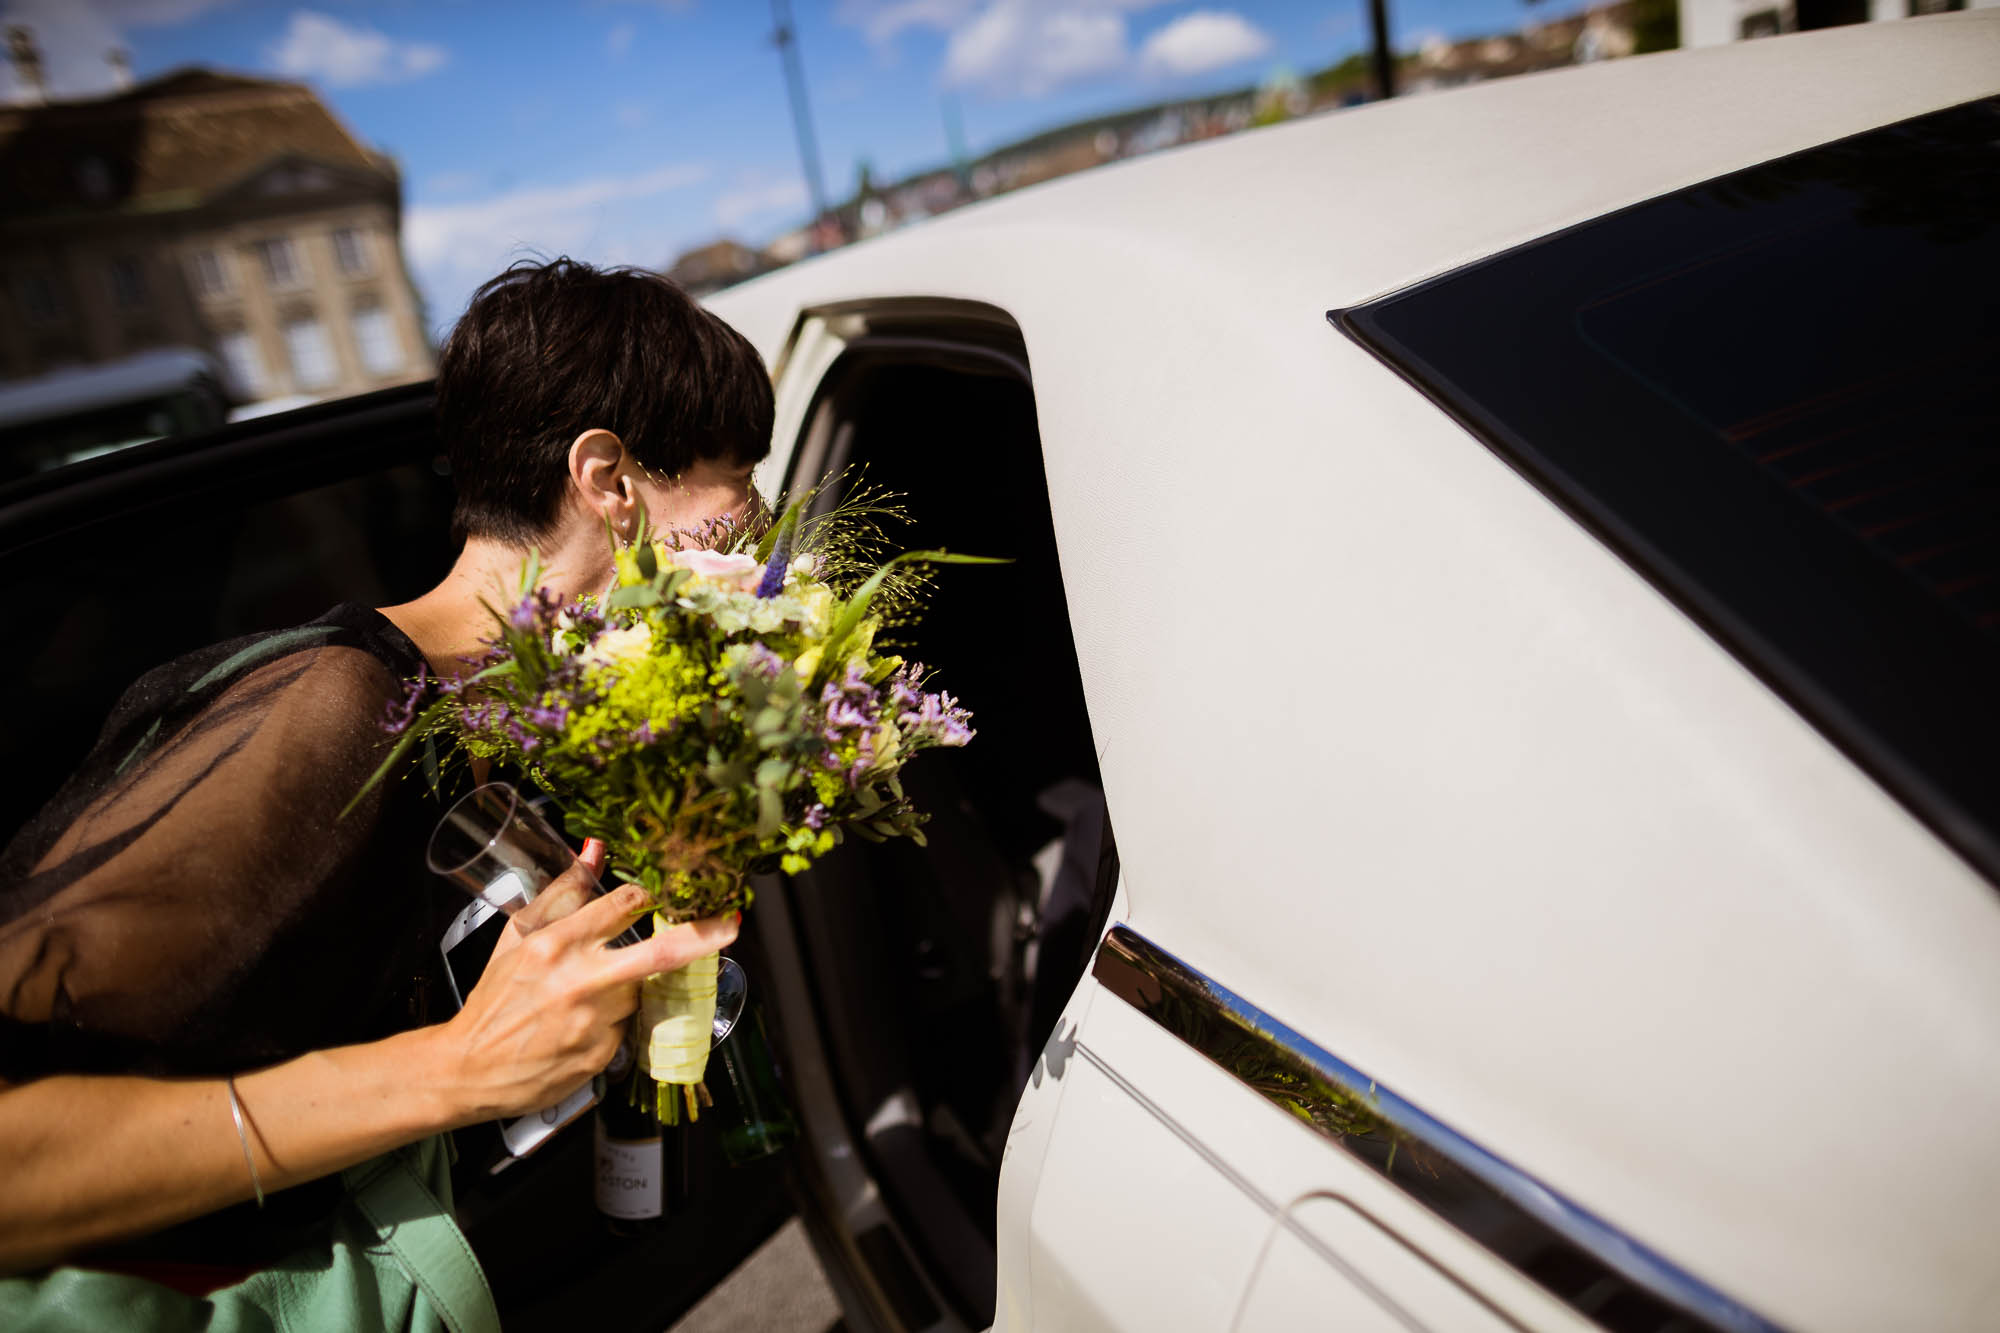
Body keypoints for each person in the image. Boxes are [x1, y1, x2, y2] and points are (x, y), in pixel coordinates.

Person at [0, 259, 770, 1318]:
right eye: (741, 477)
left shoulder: (512, 712)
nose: (760, 521)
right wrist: (453, 1066)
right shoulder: (338, 706)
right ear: (607, 479)